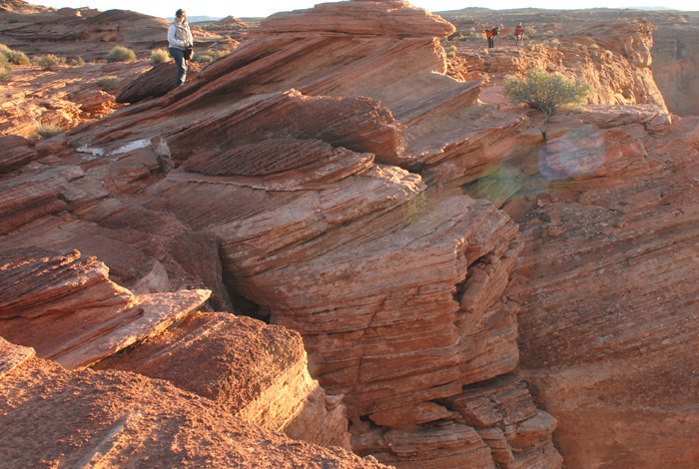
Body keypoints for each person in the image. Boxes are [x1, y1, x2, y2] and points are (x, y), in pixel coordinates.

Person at [168, 9, 193, 87]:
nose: (179, 18)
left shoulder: (186, 26)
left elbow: (190, 36)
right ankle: (180, 84)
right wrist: (182, 44)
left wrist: (190, 44)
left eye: (181, 17)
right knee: (182, 66)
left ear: (184, 17)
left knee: (185, 66)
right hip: (175, 48)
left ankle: (183, 82)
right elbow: (170, 39)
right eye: (178, 16)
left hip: (185, 48)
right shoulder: (173, 26)